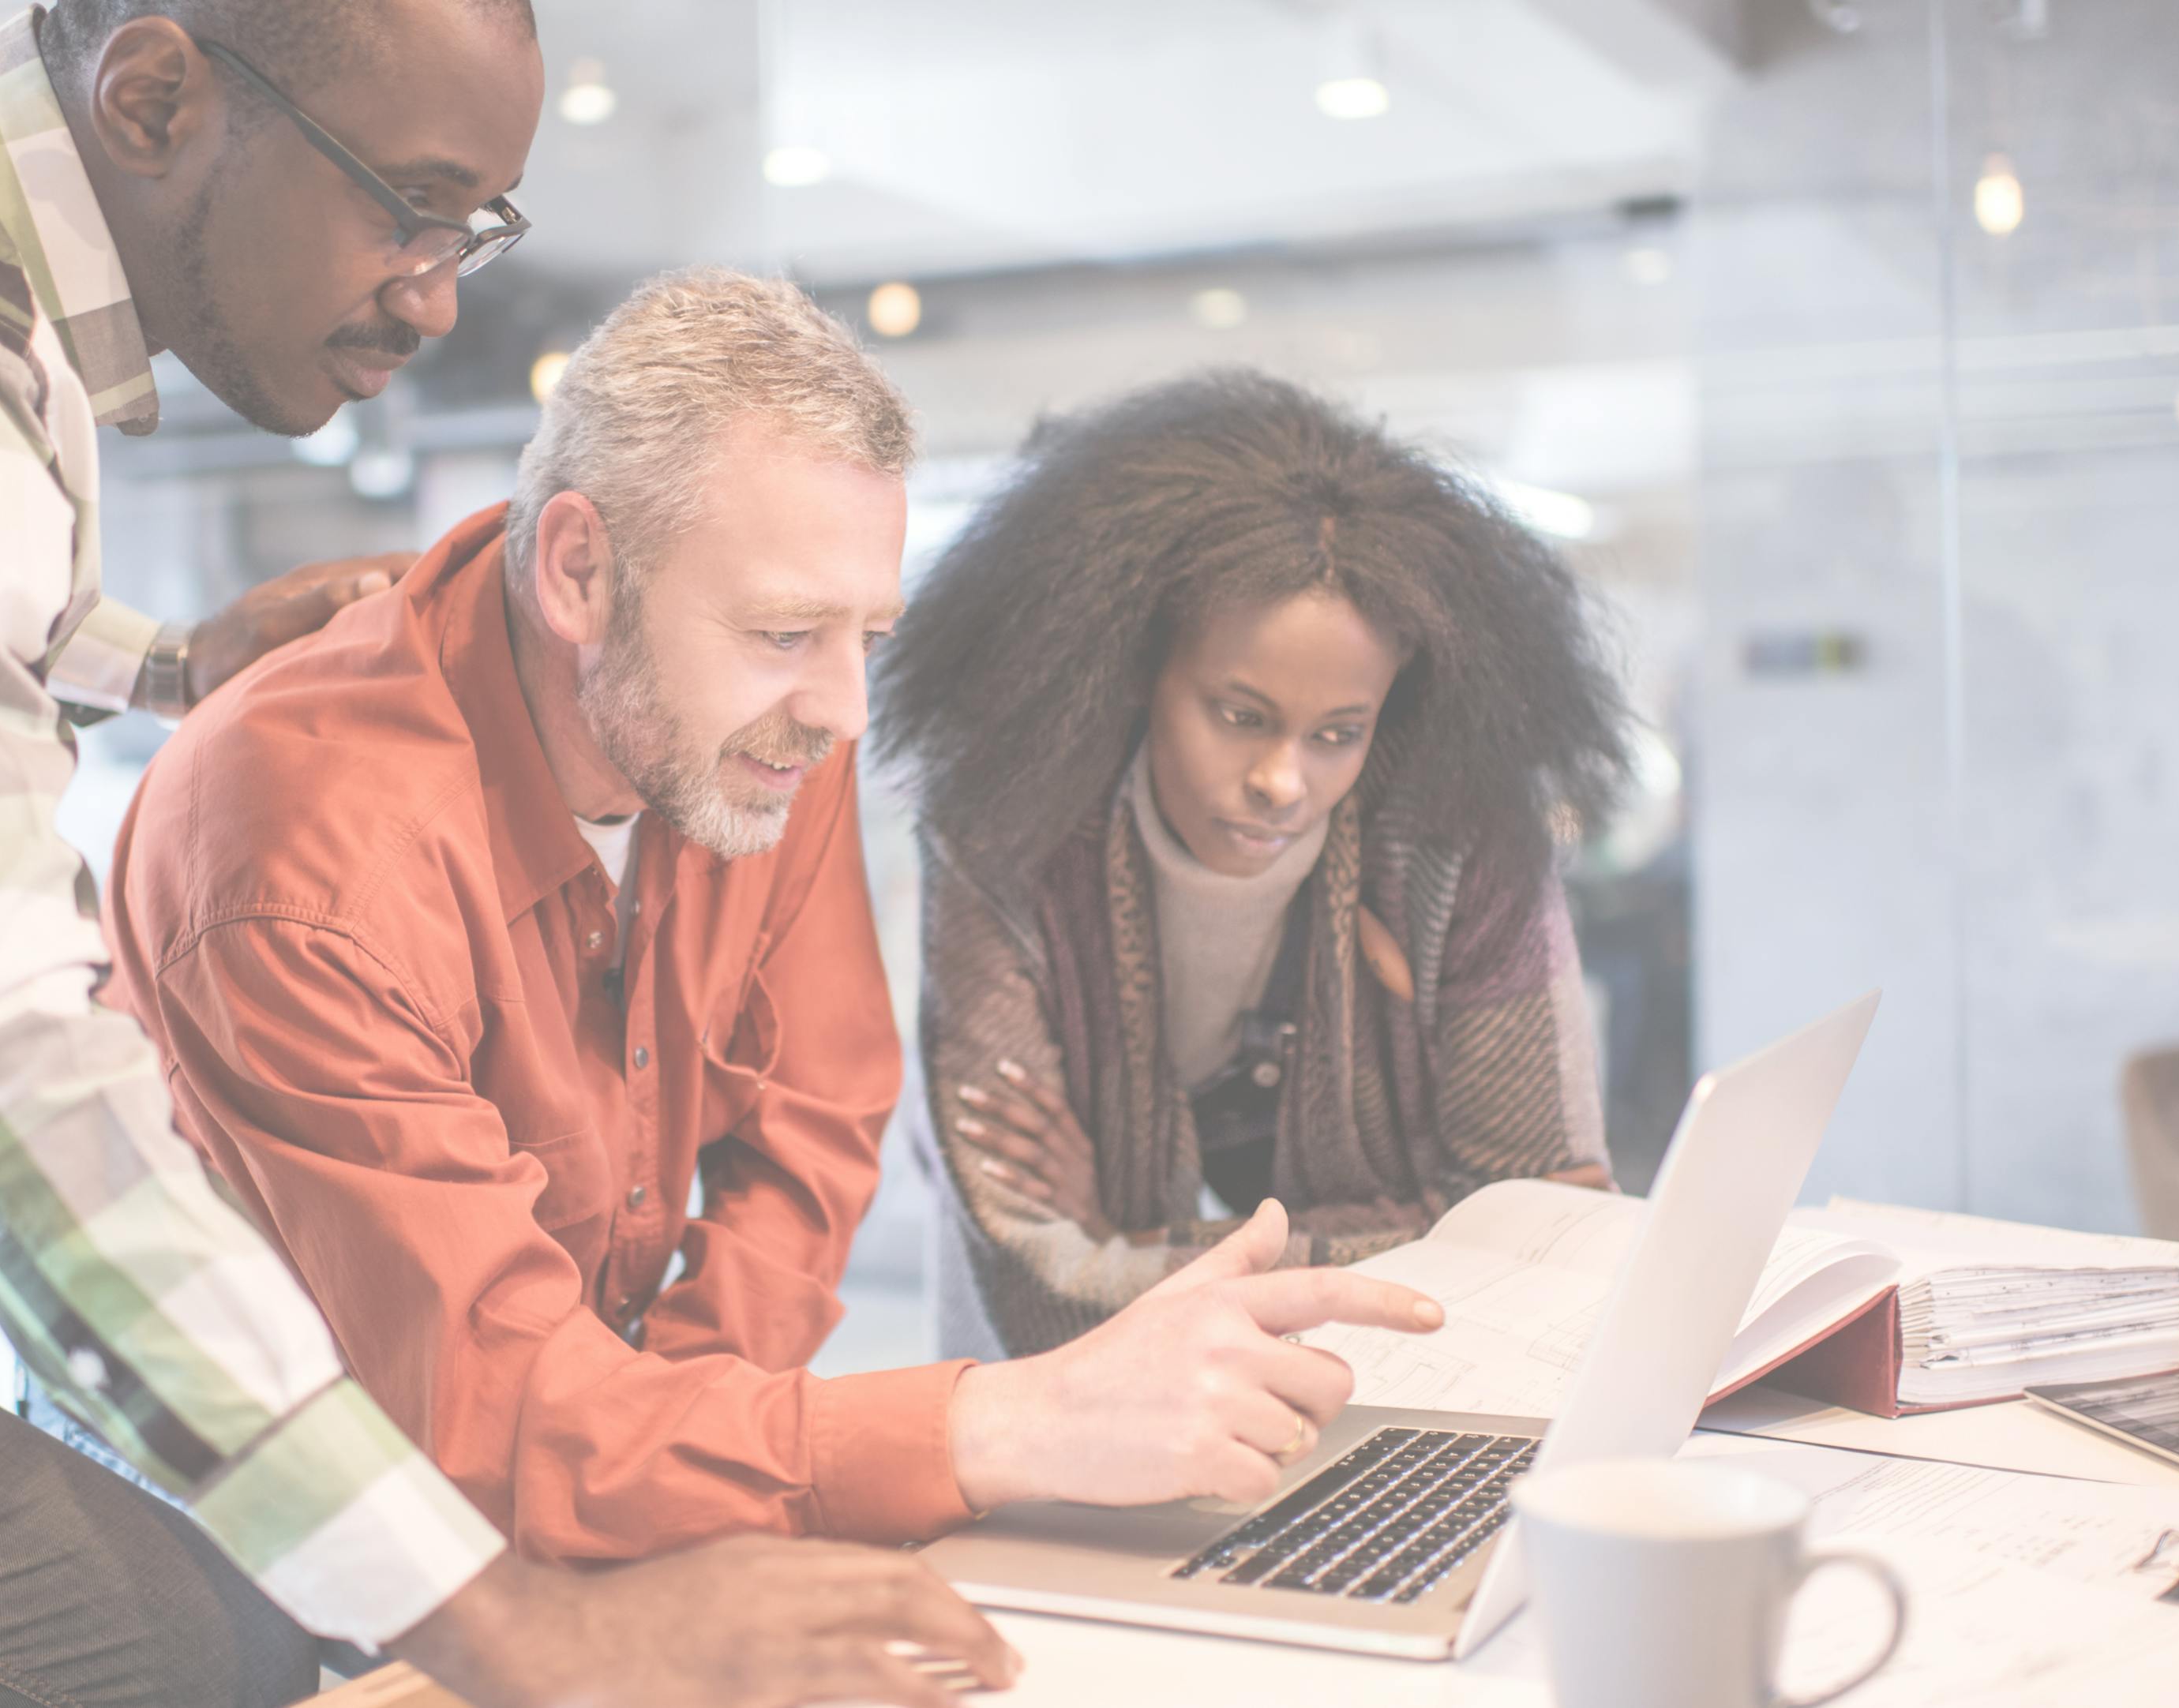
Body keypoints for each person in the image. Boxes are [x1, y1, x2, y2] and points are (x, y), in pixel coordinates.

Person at [0, 6, 1016, 1707]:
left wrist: (151, 661)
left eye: (474, 226)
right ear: (155, 95)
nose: (435, 290)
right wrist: (520, 1621)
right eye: (405, 203)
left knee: (192, 1649)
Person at [104, 267, 1446, 1566]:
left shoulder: (758, 723)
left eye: (866, 636)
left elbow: (815, 1109)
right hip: (259, 1548)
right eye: (787, 632)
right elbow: (486, 1408)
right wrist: (1000, 1419)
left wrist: (666, 1450)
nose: (847, 715)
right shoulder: (302, 866)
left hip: (563, 1475)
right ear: (578, 572)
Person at [869, 369, 1630, 1359]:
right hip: (1075, 1423)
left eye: (1338, 733)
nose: (1284, 780)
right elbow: (1039, 1294)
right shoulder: (1007, 830)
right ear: (1140, 666)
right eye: (1240, 717)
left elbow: (1545, 1249)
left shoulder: (1460, 829)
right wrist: (1431, 1229)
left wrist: (1128, 1242)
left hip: (1406, 1400)